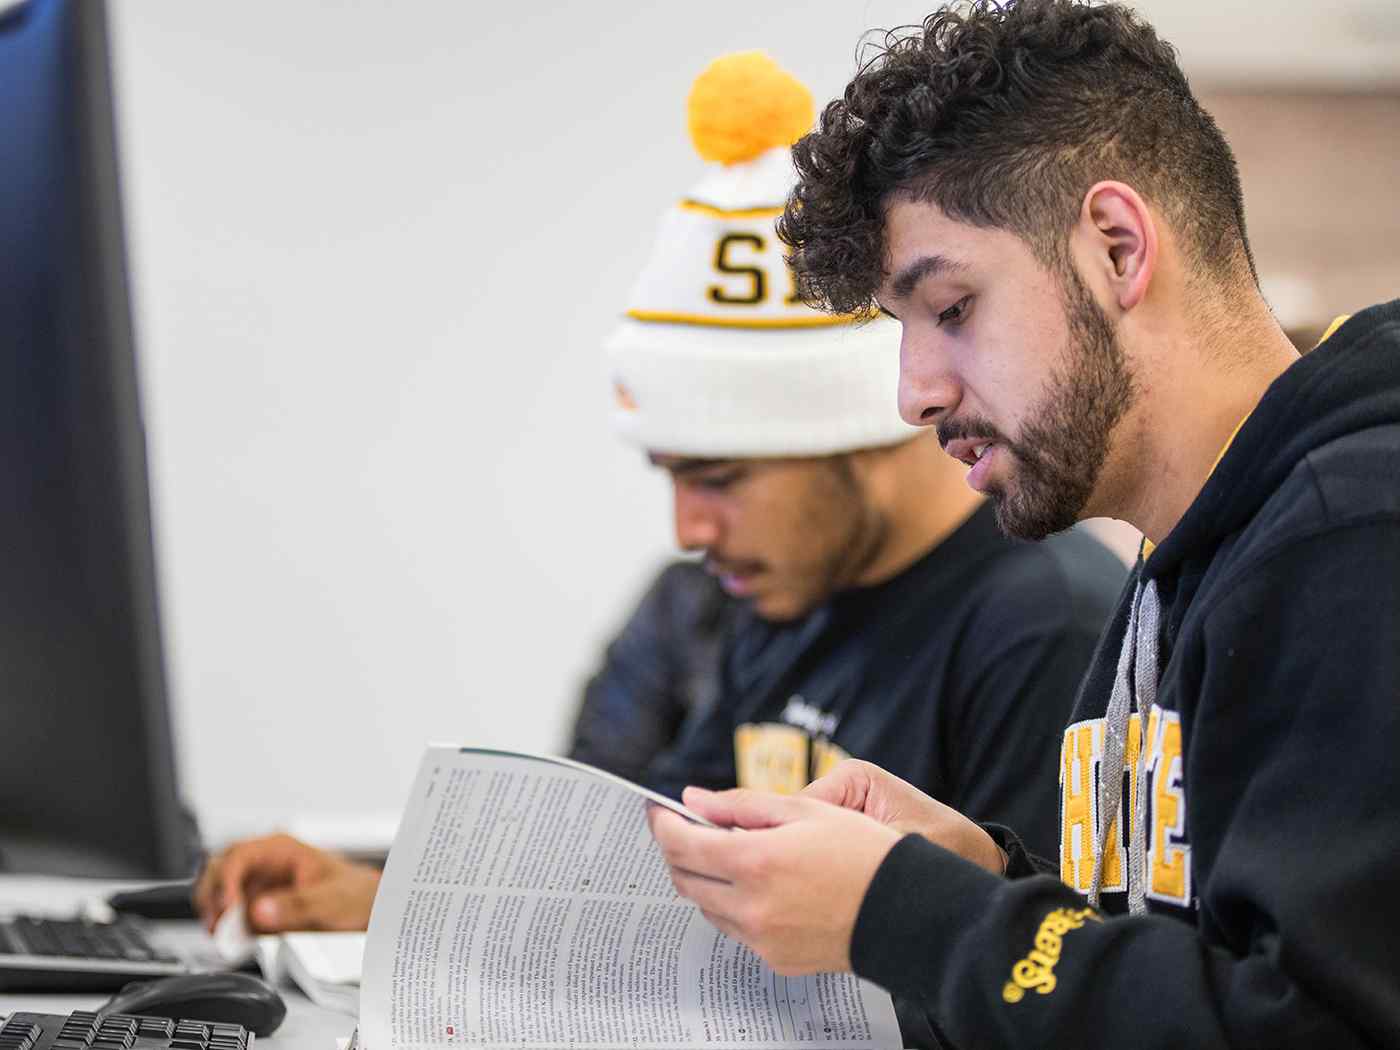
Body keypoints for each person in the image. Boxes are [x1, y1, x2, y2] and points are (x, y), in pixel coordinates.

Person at [193, 51, 1125, 938]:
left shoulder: (1043, 625)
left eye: (720, 479)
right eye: (674, 479)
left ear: (855, 438)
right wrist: (384, 893)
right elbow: (644, 867)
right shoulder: (789, 589)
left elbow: (1029, 973)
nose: (690, 531)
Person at [648, 4, 1400, 1049]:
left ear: (1115, 247)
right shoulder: (1180, 566)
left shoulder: (1355, 534)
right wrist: (987, 879)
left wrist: (910, 915)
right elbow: (1192, 958)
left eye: (950, 309)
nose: (911, 394)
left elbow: (1315, 1029)